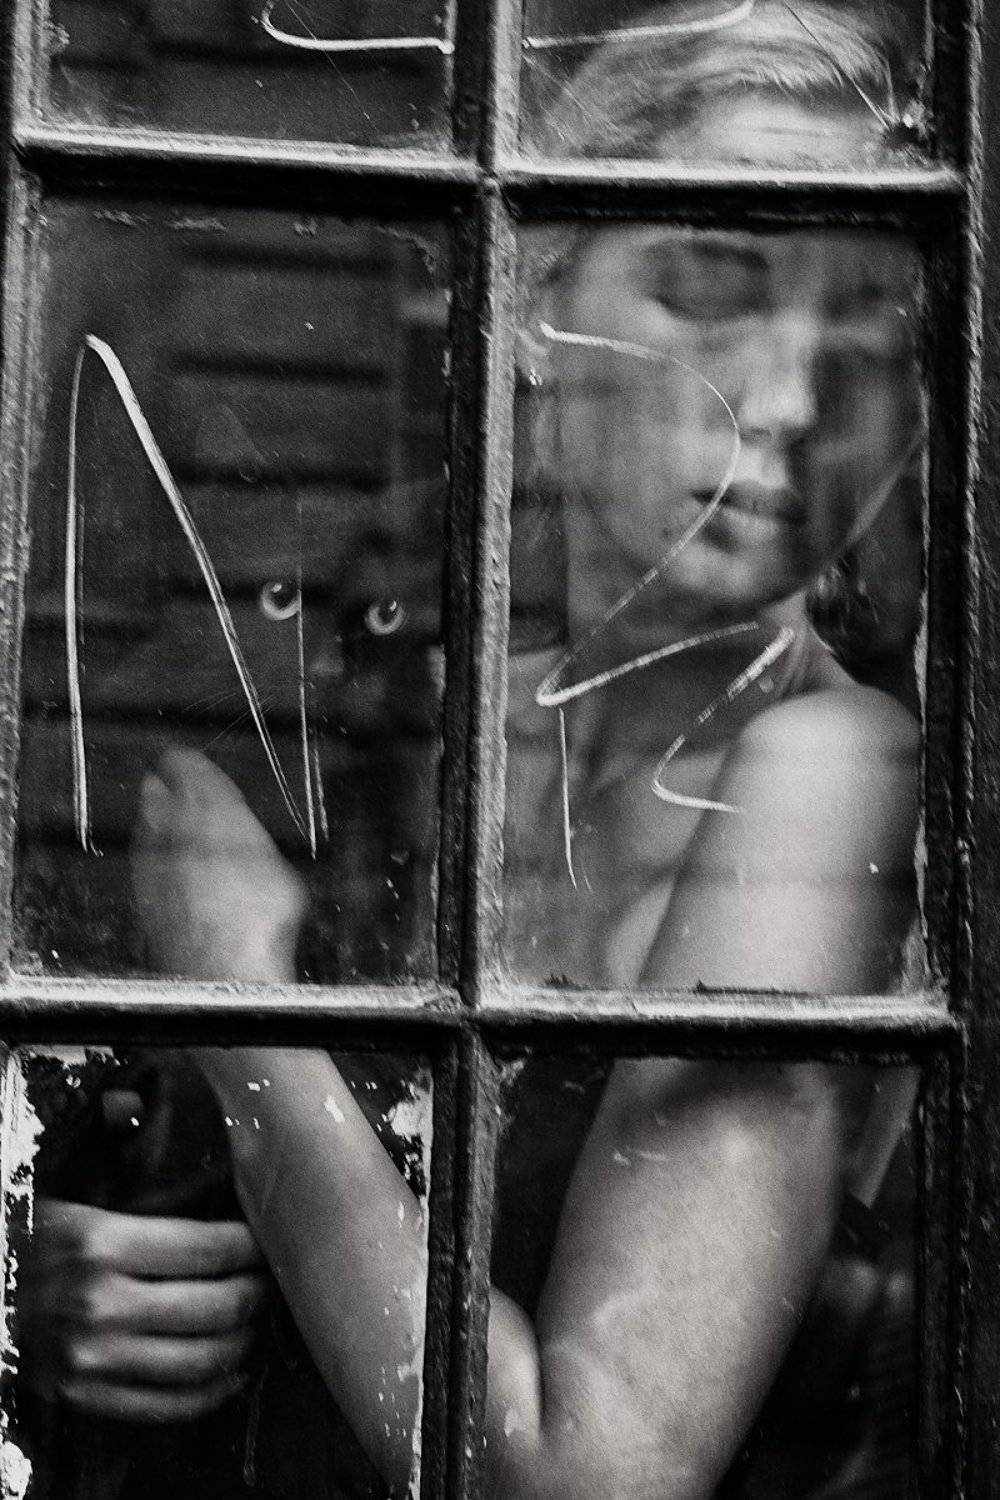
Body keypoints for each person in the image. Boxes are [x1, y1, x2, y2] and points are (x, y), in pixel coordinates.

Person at [16, 3, 924, 1497]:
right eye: (713, 284)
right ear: (538, 300)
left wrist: (246, 1014)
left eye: (871, 325)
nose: (788, 405)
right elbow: (268, 1211)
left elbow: (584, 1475)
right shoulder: (420, 716)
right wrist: (60, 1285)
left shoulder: (831, 762)